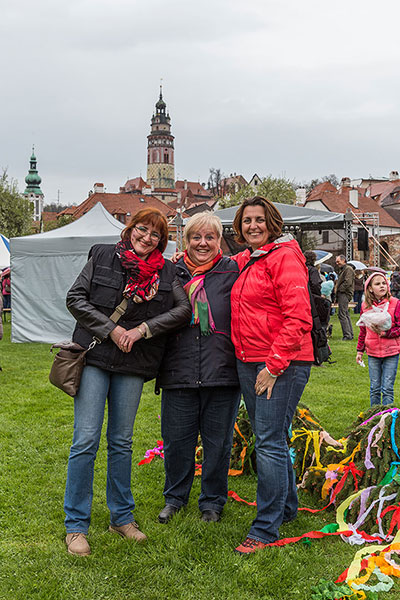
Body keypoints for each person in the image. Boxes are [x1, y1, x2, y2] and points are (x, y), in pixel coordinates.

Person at [63, 208, 191, 556]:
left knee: (121, 441)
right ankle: (76, 526)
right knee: (86, 440)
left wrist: (142, 330)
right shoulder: (103, 255)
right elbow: (75, 299)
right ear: (130, 229)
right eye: (142, 229)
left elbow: (183, 311)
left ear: (162, 242)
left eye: (155, 234)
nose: (146, 237)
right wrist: (113, 329)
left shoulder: (166, 272)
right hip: (94, 358)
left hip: (134, 363)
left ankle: (121, 517)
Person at [229, 196, 314, 554]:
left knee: (267, 441)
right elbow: (213, 265)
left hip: (279, 363)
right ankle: (287, 508)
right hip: (251, 359)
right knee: (274, 436)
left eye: (259, 220)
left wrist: (274, 365)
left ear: (272, 223)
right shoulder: (248, 259)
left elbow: (298, 317)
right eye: (246, 221)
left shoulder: (284, 257)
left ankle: (266, 529)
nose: (253, 226)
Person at [158, 213, 241, 524]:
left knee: (218, 443)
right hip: (178, 369)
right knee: (177, 442)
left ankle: (212, 502)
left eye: (210, 237)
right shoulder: (171, 271)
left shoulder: (233, 270)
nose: (203, 243)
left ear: (219, 241)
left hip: (222, 369)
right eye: (196, 237)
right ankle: (174, 498)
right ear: (186, 240)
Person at [356, 272, 400, 406]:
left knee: (387, 389)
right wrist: (359, 350)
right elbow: (363, 330)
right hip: (373, 351)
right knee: (374, 388)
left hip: (391, 351)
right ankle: (374, 419)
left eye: (384, 283)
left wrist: (387, 333)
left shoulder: (395, 303)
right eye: (377, 284)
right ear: (370, 288)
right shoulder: (365, 306)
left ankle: (387, 420)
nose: (382, 286)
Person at [335, 254, 355, 340]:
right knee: (345, 314)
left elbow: (348, 282)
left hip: (344, 293)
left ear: (344, 261)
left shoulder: (348, 269)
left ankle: (347, 335)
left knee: (342, 314)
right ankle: (350, 334)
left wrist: (339, 289)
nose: (337, 263)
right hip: (344, 293)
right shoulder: (344, 269)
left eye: (338, 261)